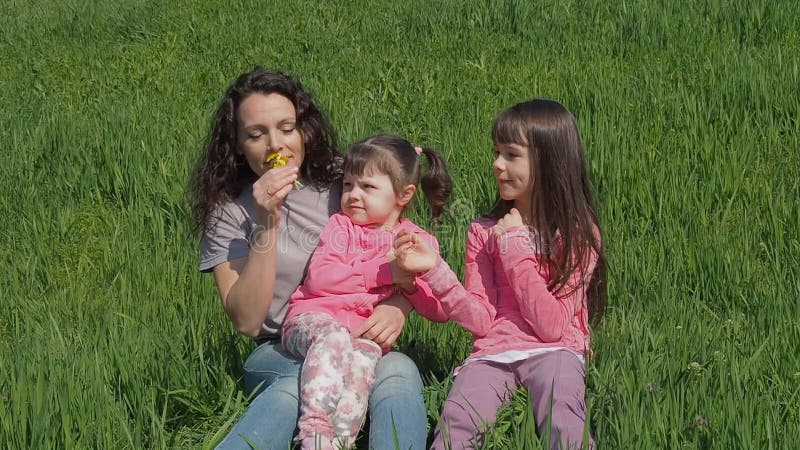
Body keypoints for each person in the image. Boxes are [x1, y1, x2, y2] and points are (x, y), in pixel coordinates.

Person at [190, 68, 430, 450]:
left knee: (400, 371)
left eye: (286, 128)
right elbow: (248, 322)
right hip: (279, 347)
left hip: (359, 335)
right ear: (237, 144)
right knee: (292, 387)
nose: (276, 145)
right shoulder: (229, 214)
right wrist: (268, 220)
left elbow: (406, 246)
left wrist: (401, 305)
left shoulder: (341, 181)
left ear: (304, 130)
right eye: (256, 134)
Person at [392, 99, 606, 450]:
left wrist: (514, 248)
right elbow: (480, 320)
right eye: (496, 152)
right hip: (492, 354)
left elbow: (552, 326)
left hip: (556, 351)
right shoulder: (482, 231)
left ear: (549, 161)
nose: (497, 164)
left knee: (563, 417)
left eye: (511, 154)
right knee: (456, 423)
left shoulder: (579, 235)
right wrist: (434, 269)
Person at [282, 134, 451, 449]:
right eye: (348, 185)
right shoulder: (340, 228)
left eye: (367, 187)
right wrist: (385, 272)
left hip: (362, 336)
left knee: (364, 363)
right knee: (334, 338)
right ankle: (314, 433)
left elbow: (440, 310)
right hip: (310, 320)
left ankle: (339, 441)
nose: (353, 195)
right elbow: (320, 280)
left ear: (404, 194)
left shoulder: (415, 242)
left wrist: (409, 285)